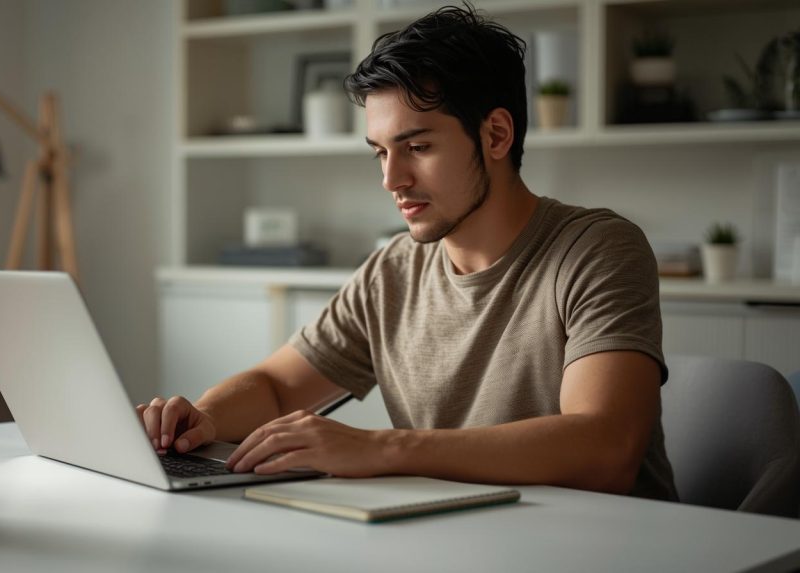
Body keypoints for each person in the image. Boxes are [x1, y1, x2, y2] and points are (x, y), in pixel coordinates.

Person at [138, 4, 677, 500]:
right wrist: (203, 419)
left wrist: (380, 449)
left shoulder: (597, 249)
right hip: (458, 540)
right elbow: (278, 387)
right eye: (380, 152)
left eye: (417, 147)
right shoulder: (393, 271)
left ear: (495, 135)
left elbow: (605, 449)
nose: (392, 179)